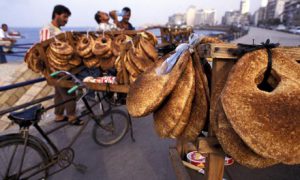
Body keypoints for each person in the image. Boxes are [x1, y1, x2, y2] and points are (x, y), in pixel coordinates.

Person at [40, 5, 82, 125]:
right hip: (56, 68)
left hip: (59, 67)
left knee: (59, 92)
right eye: (64, 17)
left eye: (67, 17)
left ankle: (58, 115)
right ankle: (72, 117)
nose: (66, 20)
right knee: (69, 90)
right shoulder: (47, 29)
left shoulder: (58, 31)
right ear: (56, 15)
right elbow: (44, 49)